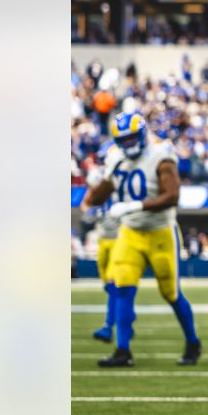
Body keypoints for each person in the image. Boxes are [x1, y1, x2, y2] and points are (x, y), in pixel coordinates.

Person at [80, 112, 202, 368]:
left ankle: (192, 341)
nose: (128, 144)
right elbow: (97, 197)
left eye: (132, 138)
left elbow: (172, 196)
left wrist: (135, 205)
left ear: (143, 134)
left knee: (170, 293)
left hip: (160, 232)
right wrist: (102, 184)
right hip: (131, 233)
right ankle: (122, 350)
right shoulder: (116, 158)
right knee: (122, 287)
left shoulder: (160, 155)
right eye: (122, 140)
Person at [86, 142, 123, 344]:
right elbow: (88, 202)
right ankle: (126, 318)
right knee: (109, 287)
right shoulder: (99, 176)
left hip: (119, 238)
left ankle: (109, 326)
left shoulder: (124, 174)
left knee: (113, 284)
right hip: (103, 237)